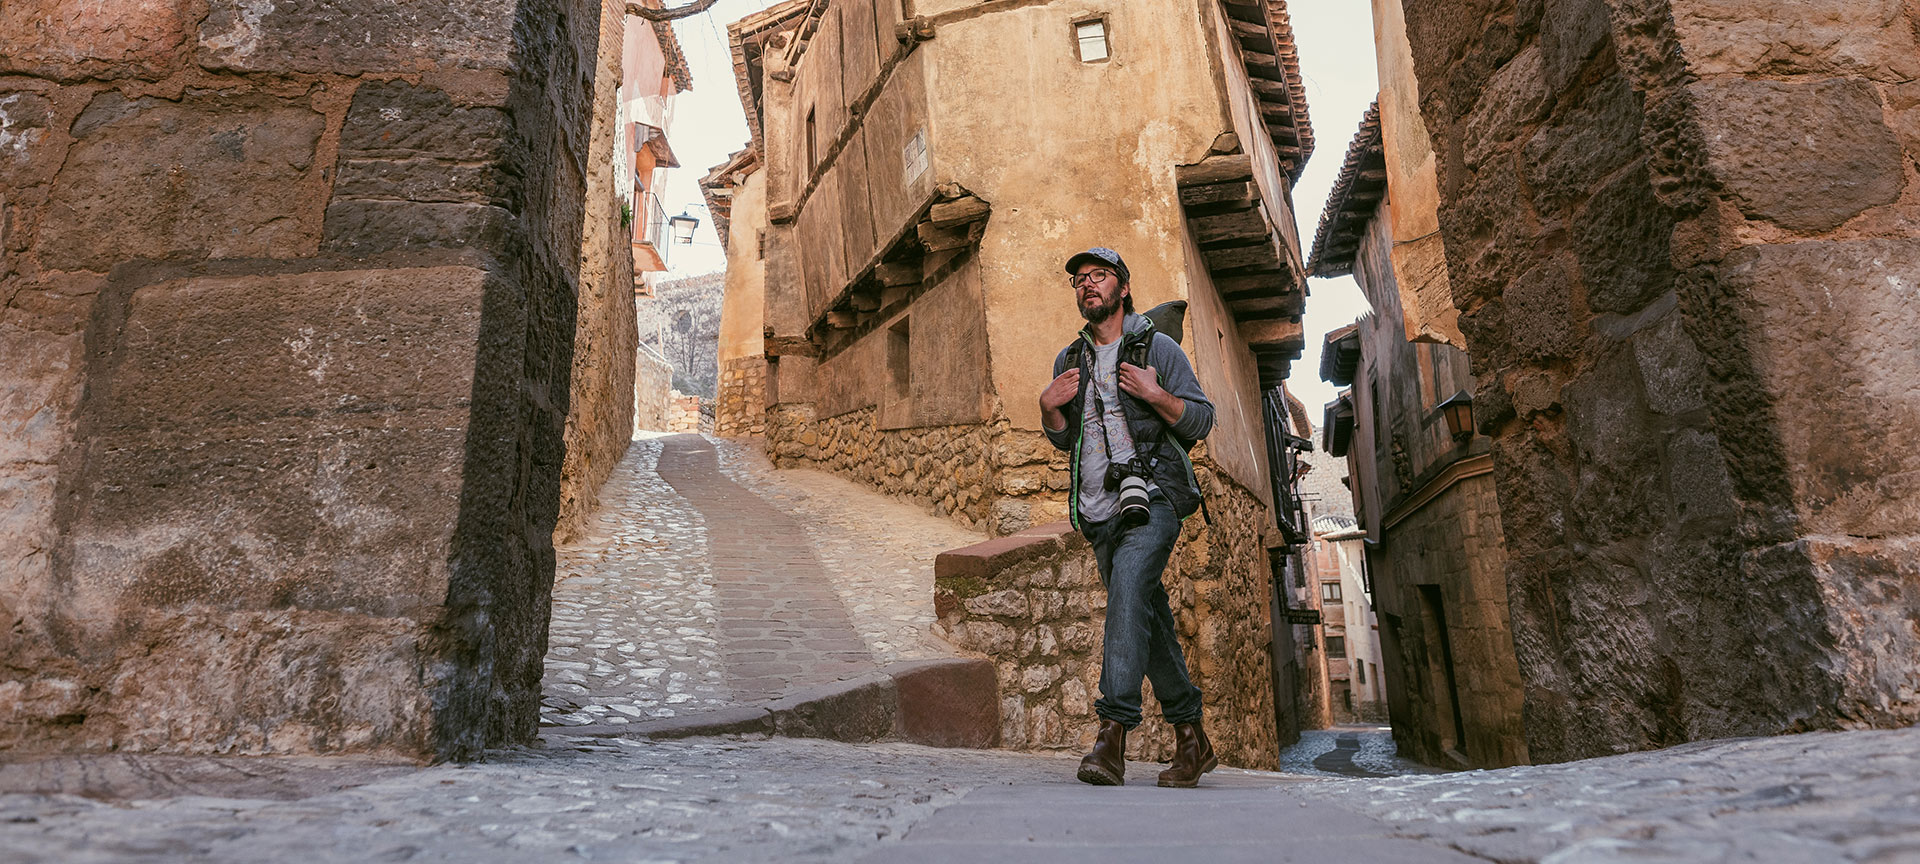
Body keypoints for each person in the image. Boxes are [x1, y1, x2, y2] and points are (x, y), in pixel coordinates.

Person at [1038, 246, 1218, 788]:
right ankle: (1193, 739)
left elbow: (1201, 420)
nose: (1087, 285)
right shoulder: (1068, 361)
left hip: (1154, 496)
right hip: (1097, 509)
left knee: (1126, 595)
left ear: (1122, 285)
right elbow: (1068, 440)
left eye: (1098, 276)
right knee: (1147, 613)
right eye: (1079, 279)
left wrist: (1157, 395)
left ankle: (1111, 735)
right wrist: (1048, 409)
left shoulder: (1157, 349)